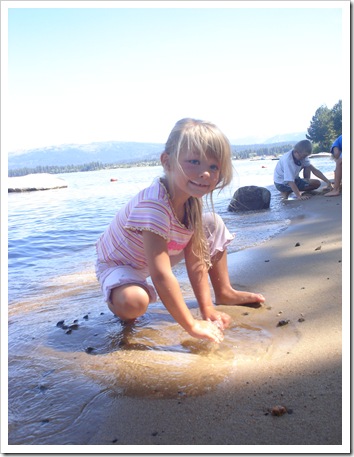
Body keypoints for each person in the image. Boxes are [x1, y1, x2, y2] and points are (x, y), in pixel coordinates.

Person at [95, 118, 265, 344]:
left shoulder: (190, 199)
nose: (205, 173)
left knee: (212, 223)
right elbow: (161, 275)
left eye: (213, 166)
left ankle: (224, 292)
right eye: (194, 161)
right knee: (134, 301)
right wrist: (191, 325)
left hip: (153, 256)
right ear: (167, 162)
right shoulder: (154, 206)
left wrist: (206, 310)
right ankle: (116, 299)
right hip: (119, 264)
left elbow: (196, 260)